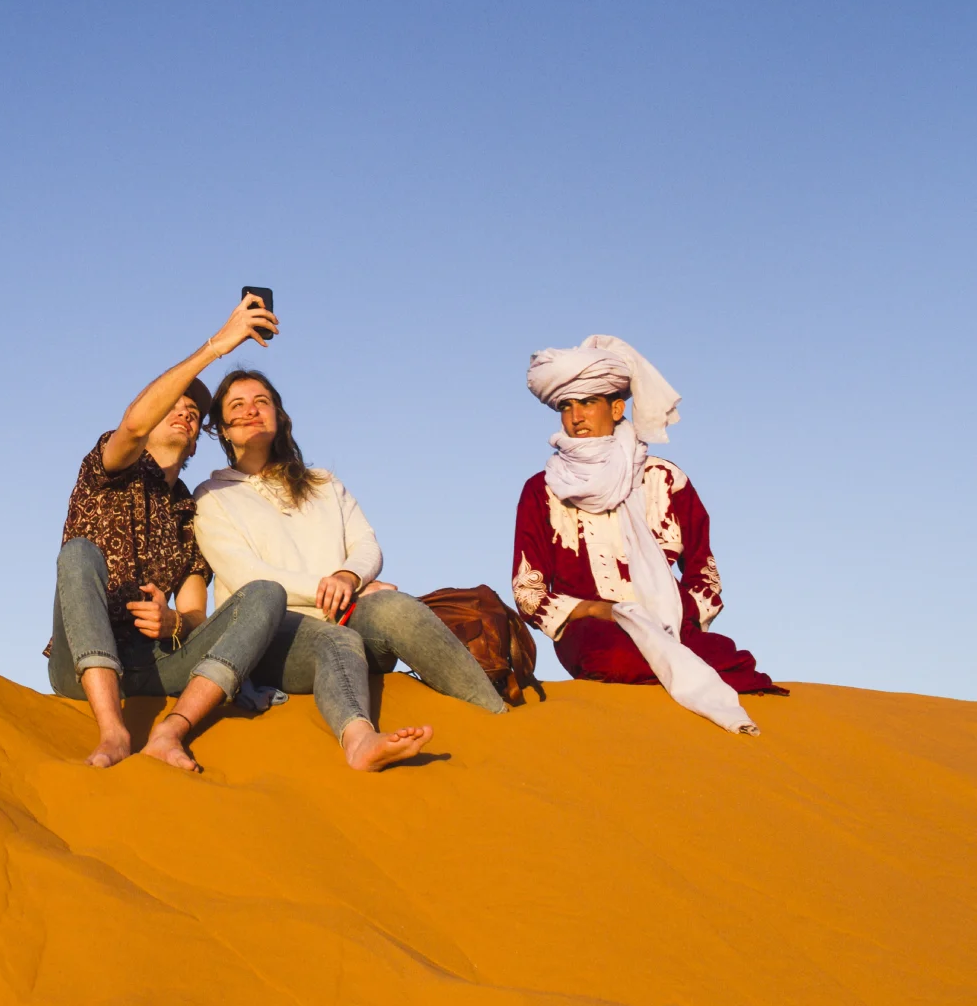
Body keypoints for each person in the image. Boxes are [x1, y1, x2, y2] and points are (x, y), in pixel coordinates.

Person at [194, 369, 509, 771]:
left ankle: (495, 715)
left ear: (279, 415)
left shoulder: (323, 482)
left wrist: (349, 578)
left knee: (396, 606)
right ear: (222, 429)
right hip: (275, 635)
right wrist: (329, 587)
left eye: (262, 401)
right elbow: (246, 576)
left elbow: (365, 544)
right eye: (237, 405)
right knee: (335, 641)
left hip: (347, 613)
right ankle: (360, 741)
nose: (252, 410)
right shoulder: (212, 496)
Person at [46, 294, 295, 773]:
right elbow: (134, 424)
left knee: (265, 594)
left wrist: (173, 624)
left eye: (193, 411)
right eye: (173, 404)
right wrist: (216, 347)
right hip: (82, 666)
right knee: (78, 554)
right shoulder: (108, 468)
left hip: (158, 668)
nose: (184, 411)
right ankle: (112, 729)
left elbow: (196, 615)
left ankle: (170, 730)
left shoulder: (190, 511)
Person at [513, 336, 780, 733]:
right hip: (593, 631)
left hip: (671, 623)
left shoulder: (664, 479)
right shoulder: (543, 489)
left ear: (617, 408)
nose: (575, 418)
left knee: (731, 660)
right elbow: (527, 589)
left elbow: (704, 568)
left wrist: (679, 615)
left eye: (588, 402)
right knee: (617, 659)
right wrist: (594, 610)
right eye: (566, 406)